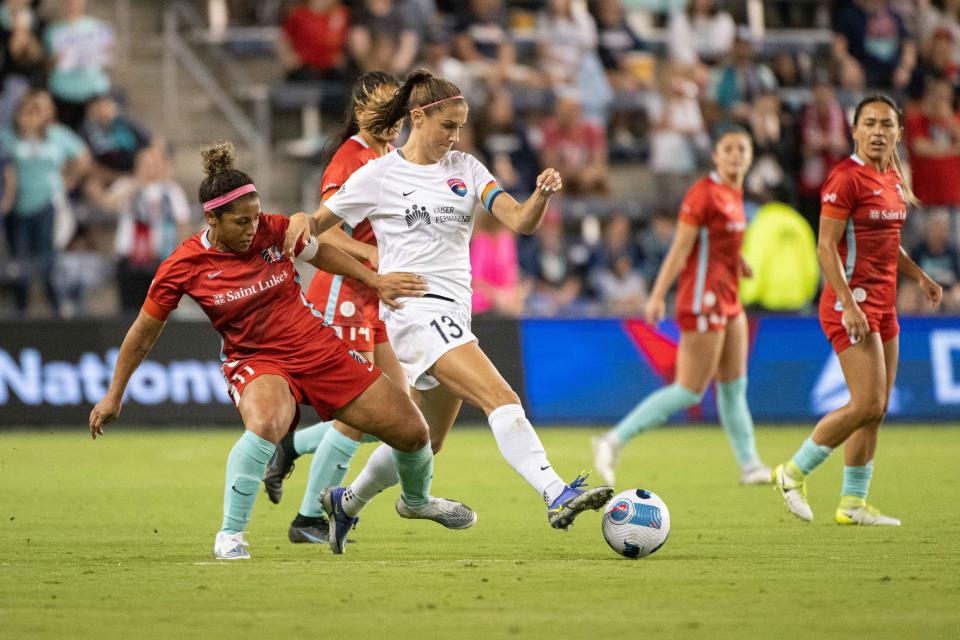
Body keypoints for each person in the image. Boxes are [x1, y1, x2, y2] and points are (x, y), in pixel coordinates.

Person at [88, 140, 475, 560]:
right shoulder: (183, 265)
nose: (253, 228)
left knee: (414, 432)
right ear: (211, 218)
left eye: (255, 217)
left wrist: (374, 280)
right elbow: (143, 333)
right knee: (267, 423)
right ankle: (230, 536)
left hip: (319, 349)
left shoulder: (272, 229)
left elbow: (322, 251)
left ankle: (416, 502)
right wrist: (114, 393)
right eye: (241, 222)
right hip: (257, 360)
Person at [285, 69, 613, 554]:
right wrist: (301, 226)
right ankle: (556, 492)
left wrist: (540, 195)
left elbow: (519, 221)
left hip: (455, 315)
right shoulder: (379, 174)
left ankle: (345, 503)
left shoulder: (467, 168)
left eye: (460, 127)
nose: (455, 136)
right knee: (500, 397)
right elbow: (315, 225)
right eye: (447, 126)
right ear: (418, 118)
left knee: (424, 440)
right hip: (414, 313)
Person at [771, 95, 943, 526]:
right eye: (870, 123)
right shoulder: (845, 177)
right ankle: (791, 473)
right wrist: (848, 303)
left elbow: (887, 242)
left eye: (887, 124)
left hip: (883, 307)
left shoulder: (892, 177)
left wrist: (918, 276)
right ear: (854, 130)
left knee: (878, 406)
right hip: (852, 305)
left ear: (899, 132)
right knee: (866, 403)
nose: (878, 132)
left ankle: (852, 503)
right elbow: (825, 246)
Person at [262, 71, 411, 546]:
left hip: (377, 296)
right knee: (356, 413)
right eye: (386, 109)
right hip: (344, 291)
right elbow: (323, 230)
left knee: (400, 415)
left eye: (400, 111)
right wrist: (371, 256)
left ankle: (290, 445)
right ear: (363, 108)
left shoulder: (391, 157)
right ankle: (308, 517)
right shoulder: (350, 158)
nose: (395, 119)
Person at [592, 127, 772, 487]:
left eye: (742, 149)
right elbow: (681, 249)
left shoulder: (734, 194)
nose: (736, 155)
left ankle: (750, 464)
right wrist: (657, 295)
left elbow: (720, 245)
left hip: (728, 296)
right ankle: (612, 440)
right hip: (702, 298)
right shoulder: (703, 195)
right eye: (729, 148)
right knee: (690, 389)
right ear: (716, 155)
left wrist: (738, 263)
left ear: (750, 157)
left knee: (734, 386)